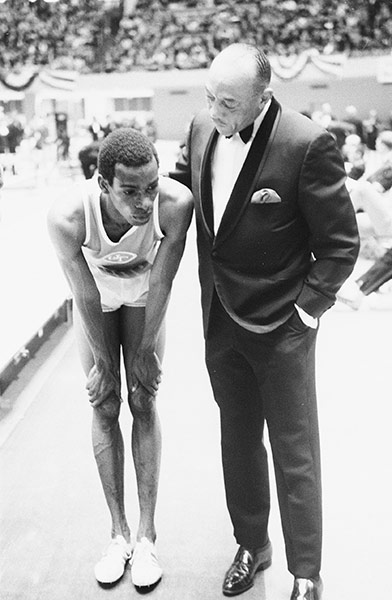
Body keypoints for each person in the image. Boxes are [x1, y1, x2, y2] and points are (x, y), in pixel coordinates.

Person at [169, 43, 359, 600]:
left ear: (263, 98)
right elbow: (187, 188)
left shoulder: (306, 144)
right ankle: (251, 543)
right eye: (210, 97)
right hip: (220, 319)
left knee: (295, 452)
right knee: (238, 441)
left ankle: (306, 570)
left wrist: (305, 311)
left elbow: (341, 245)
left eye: (228, 103)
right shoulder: (202, 126)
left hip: (283, 327)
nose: (215, 111)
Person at [48, 127, 193, 590]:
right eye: (130, 191)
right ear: (102, 182)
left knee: (144, 401)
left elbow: (163, 283)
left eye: (151, 187)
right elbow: (83, 292)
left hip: (144, 299)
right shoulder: (68, 216)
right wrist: (106, 364)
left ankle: (148, 537)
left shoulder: (175, 204)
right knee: (105, 402)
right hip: (97, 299)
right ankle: (118, 534)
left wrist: (145, 353)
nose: (144, 202)